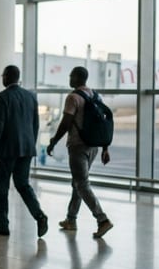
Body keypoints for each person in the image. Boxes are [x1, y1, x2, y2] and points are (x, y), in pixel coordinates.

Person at [46, 66, 113, 239]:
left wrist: (53, 141)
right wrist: (105, 148)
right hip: (94, 147)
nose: (69, 78)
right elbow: (102, 125)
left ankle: (102, 219)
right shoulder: (96, 96)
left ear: (76, 78)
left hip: (77, 146)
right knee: (78, 182)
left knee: (82, 183)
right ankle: (71, 219)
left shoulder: (73, 97)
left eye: (71, 75)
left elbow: (66, 122)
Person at [0, 65, 48, 238]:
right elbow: (35, 124)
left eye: (3, 76)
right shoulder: (31, 96)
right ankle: (40, 216)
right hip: (26, 149)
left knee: (2, 187)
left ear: (7, 77)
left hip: (7, 150)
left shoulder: (2, 97)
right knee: (23, 185)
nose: (2, 78)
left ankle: (3, 224)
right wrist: (30, 144)